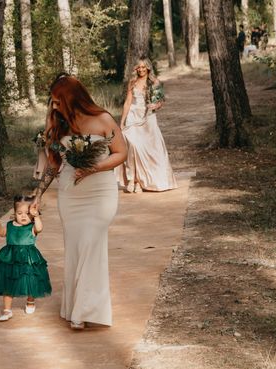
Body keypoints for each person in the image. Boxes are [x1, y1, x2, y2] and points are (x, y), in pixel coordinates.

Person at [32, 74, 127, 329]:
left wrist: (94, 167)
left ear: (71, 98)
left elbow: (121, 153)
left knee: (90, 244)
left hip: (100, 195)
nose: (54, 107)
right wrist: (38, 194)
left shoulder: (104, 119)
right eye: (52, 102)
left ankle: (84, 311)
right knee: (76, 249)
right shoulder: (59, 125)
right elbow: (54, 166)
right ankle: (77, 307)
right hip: (70, 196)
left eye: (57, 101)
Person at [116, 57, 177, 193]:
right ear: (136, 69)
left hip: (148, 116)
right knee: (132, 145)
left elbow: (161, 101)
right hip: (133, 116)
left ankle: (140, 182)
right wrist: (122, 121)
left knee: (146, 149)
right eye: (139, 67)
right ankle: (133, 179)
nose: (141, 69)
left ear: (148, 68)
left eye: (144, 67)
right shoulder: (132, 82)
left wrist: (156, 105)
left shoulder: (154, 82)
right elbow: (127, 102)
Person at [0, 195, 52, 322]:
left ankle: (30, 300)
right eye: (19, 213)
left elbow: (39, 228)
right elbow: (2, 233)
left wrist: (36, 216)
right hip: (10, 259)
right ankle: (7, 310)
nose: (23, 216)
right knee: (8, 282)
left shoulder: (32, 227)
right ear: (14, 213)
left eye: (27, 213)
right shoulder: (10, 225)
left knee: (30, 280)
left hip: (28, 259)